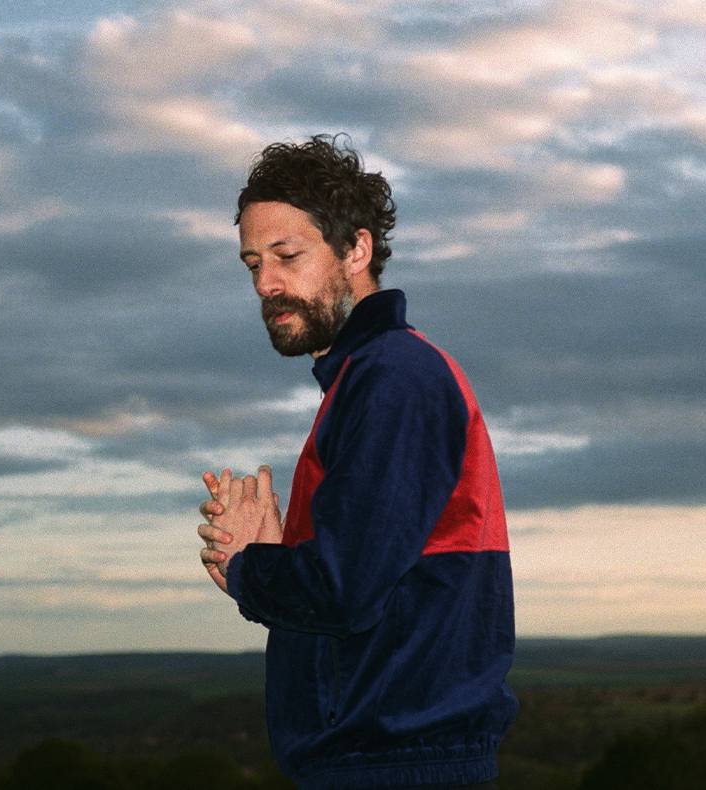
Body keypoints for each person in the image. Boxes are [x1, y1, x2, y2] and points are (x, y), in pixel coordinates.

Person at [194, 134, 517, 790]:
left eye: (287, 255)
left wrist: (250, 567)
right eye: (252, 263)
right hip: (385, 760)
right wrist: (278, 558)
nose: (266, 283)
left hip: (399, 764)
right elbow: (364, 580)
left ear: (356, 250)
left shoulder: (394, 377)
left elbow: (346, 588)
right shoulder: (368, 380)